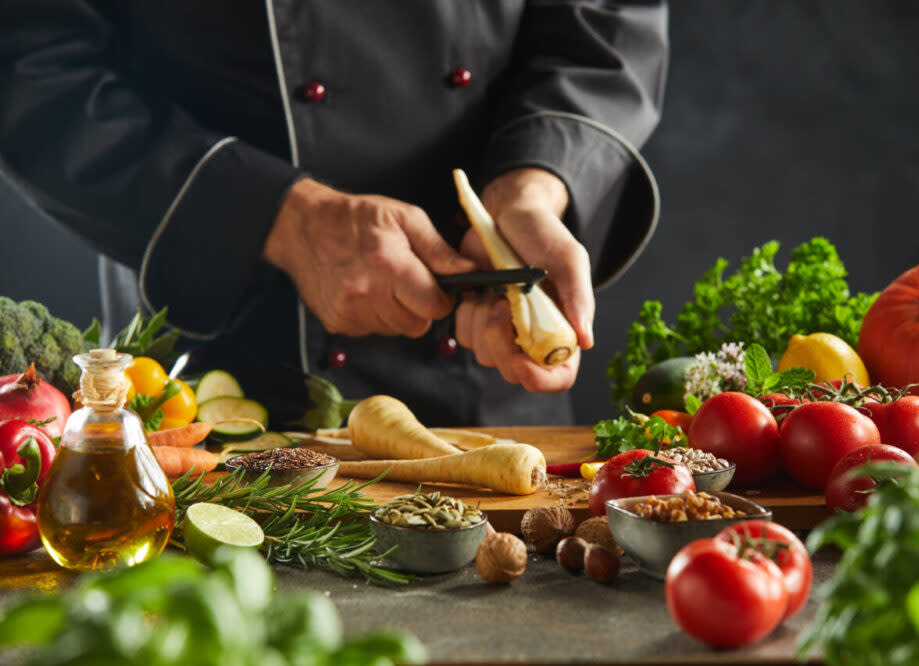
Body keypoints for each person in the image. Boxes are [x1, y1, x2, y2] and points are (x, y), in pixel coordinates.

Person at [0, 1, 668, 426]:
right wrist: (279, 218)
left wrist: (533, 187)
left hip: (492, 387)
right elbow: (29, 64)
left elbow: (607, 23)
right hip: (209, 390)